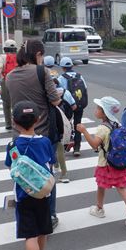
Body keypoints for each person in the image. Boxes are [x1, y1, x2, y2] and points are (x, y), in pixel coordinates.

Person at [5, 39, 62, 228]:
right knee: (46, 175)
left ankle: (26, 213)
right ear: (38, 55)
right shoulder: (41, 71)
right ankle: (50, 215)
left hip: (18, 135)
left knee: (23, 173)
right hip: (42, 133)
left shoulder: (10, 76)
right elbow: (54, 101)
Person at [4, 101, 54, 250]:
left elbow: (11, 168)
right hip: (43, 193)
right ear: (38, 119)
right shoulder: (45, 142)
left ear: (14, 122)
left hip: (23, 196)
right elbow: (51, 164)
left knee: (29, 234)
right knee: (42, 230)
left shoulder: (12, 145)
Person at [76, 96, 126, 227]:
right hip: (119, 163)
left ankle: (99, 209)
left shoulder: (103, 128)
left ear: (104, 111)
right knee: (122, 188)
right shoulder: (117, 124)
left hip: (106, 163)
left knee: (101, 186)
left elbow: (94, 145)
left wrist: (84, 131)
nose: (96, 110)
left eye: (98, 108)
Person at [43, 55, 76, 184]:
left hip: (49, 124)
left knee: (49, 148)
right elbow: (73, 106)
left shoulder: (45, 94)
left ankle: (52, 170)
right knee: (60, 148)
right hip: (64, 124)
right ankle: (64, 174)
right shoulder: (65, 92)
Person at [57, 56, 87, 157]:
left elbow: (59, 92)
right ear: (72, 65)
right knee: (78, 124)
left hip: (67, 106)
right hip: (79, 104)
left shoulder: (61, 78)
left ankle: (66, 144)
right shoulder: (80, 76)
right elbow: (85, 89)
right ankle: (77, 148)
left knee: (66, 124)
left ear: (62, 67)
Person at [0, 39, 18, 130]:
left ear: (4, 48)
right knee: (16, 103)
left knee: (6, 103)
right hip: (18, 81)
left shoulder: (2, 57)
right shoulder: (19, 57)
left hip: (6, 81)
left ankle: (8, 124)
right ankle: (18, 123)